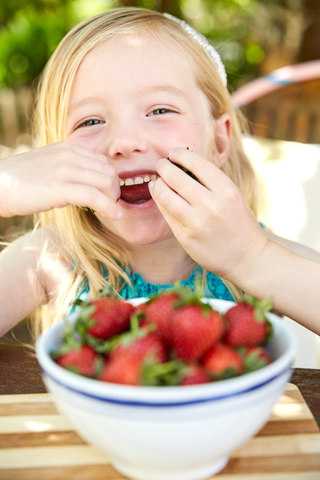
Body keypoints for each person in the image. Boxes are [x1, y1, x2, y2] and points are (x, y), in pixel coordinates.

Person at [0, 7, 319, 340]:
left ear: (220, 140)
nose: (125, 142)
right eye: (90, 121)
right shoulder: (51, 259)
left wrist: (251, 260)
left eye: (160, 110)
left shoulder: (257, 249)